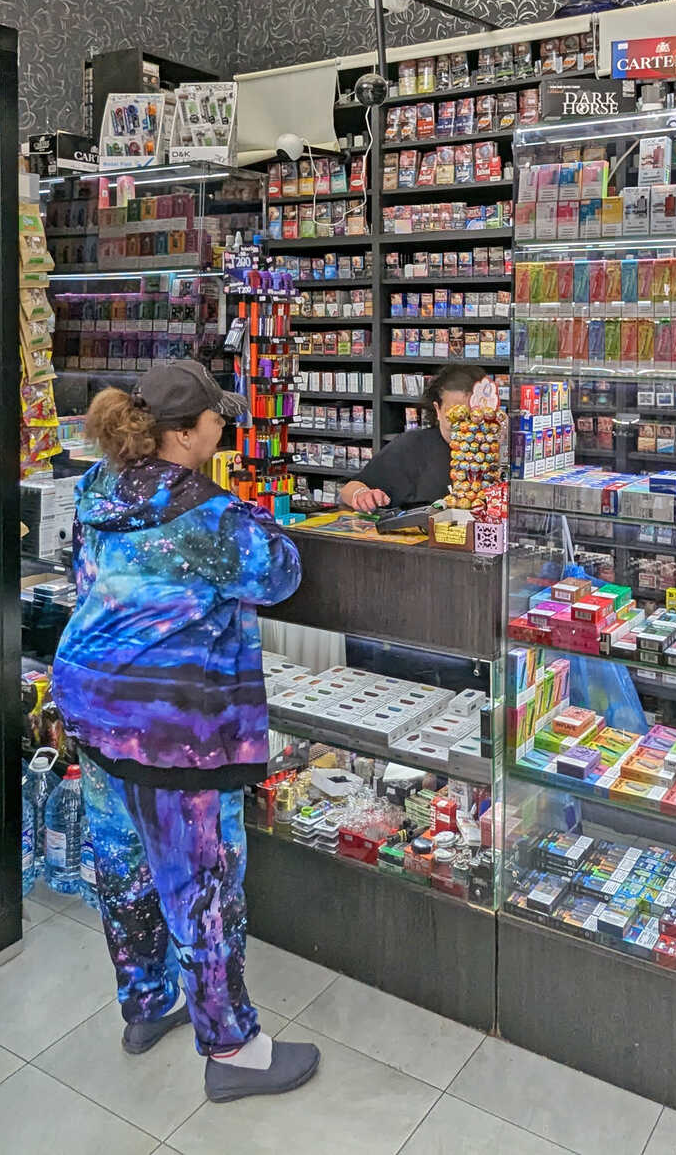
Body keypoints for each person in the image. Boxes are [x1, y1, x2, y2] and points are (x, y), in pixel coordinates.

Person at [51, 359, 318, 1101]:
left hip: (92, 702)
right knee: (202, 884)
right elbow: (281, 573)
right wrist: (256, 517)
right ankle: (233, 1049)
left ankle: (147, 1004)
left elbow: (88, 577)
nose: (221, 429)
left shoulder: (99, 484)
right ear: (184, 433)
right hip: (171, 724)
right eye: (214, 420)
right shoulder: (207, 514)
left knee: (124, 864)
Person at [339, 363, 486, 513]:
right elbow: (350, 489)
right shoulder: (410, 446)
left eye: (474, 415)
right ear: (438, 410)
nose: (466, 425)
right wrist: (362, 495)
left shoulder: (496, 452)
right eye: (455, 415)